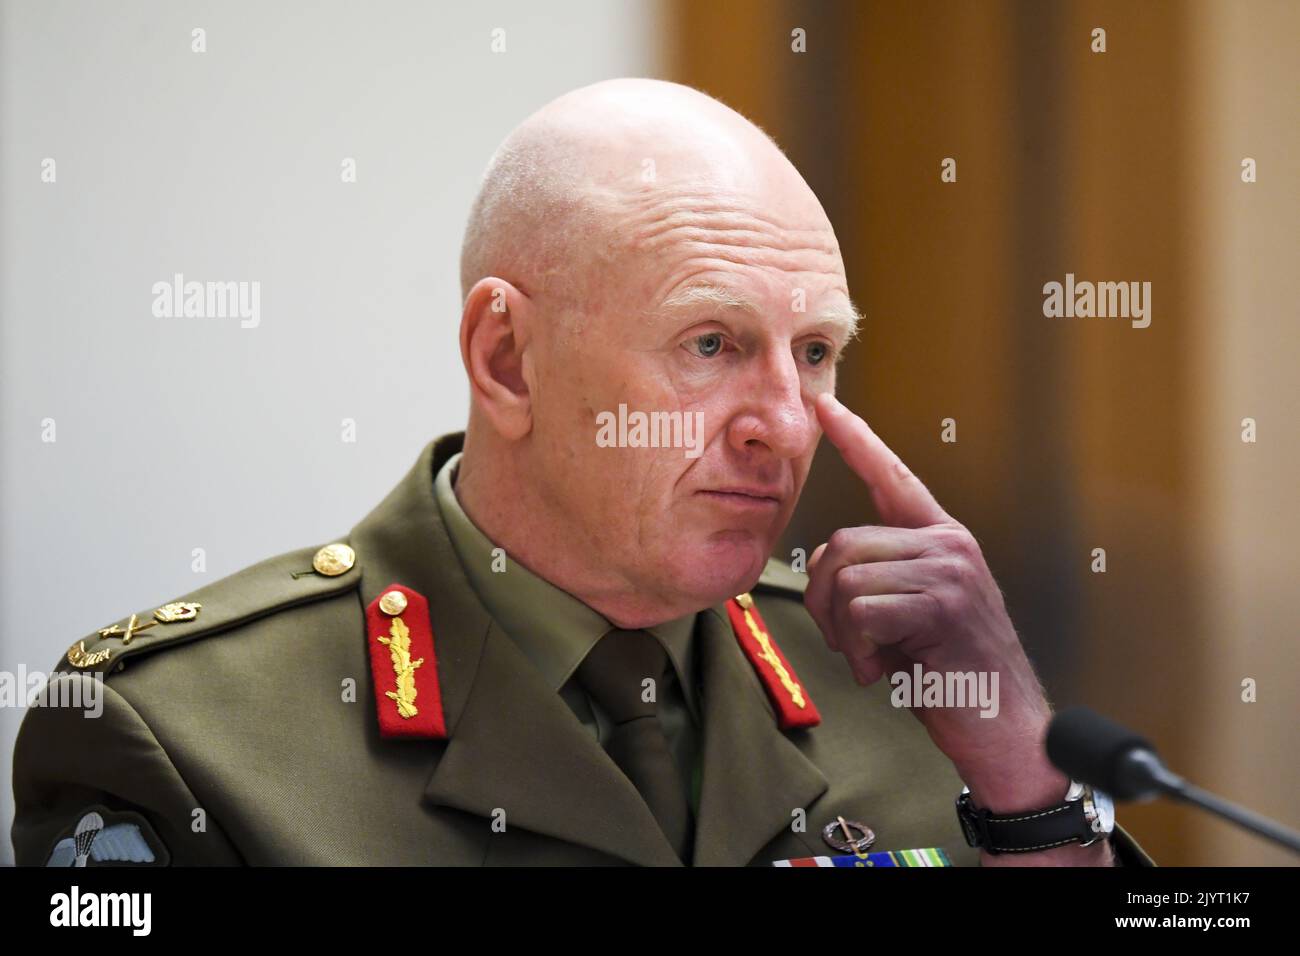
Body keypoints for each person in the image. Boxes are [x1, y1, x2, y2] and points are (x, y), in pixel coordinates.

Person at [11, 78, 1153, 867]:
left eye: (813, 353)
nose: (782, 424)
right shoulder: (191, 736)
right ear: (506, 358)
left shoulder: (897, 682)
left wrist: (1026, 782)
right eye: (709, 344)